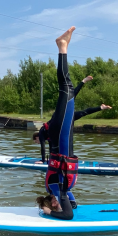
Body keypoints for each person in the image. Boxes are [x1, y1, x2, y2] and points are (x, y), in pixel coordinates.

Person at [37, 26, 80, 220]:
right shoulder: (60, 190)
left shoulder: (55, 188)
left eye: (52, 203)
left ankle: (62, 46)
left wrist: (47, 211)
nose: (56, 203)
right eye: (55, 205)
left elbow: (68, 215)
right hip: (61, 135)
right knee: (68, 93)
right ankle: (62, 46)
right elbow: (72, 205)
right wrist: (66, 201)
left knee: (66, 88)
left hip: (60, 135)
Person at [33, 103, 112, 163]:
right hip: (64, 121)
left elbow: (43, 148)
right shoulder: (48, 135)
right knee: (82, 113)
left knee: (83, 113)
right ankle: (101, 107)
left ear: (36, 137)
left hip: (60, 120)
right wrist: (51, 158)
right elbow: (51, 147)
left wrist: (42, 161)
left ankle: (101, 107)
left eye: (36, 142)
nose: (37, 143)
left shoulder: (41, 132)